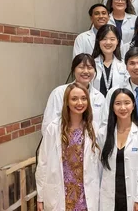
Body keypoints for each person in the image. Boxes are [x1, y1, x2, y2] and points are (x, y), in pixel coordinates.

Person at [36, 83, 101, 211]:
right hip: (61, 193)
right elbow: (43, 163)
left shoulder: (93, 128)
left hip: (86, 194)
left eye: (83, 98)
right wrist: (40, 196)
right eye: (74, 99)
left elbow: (99, 165)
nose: (79, 102)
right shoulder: (54, 129)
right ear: (66, 102)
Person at [98, 88, 138, 211]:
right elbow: (98, 168)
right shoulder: (103, 133)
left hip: (133, 196)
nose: (123, 108)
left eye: (127, 103)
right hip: (109, 195)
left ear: (133, 106)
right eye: (118, 104)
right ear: (112, 107)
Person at [42, 54, 105, 134]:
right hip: (63, 142)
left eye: (90, 68)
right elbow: (48, 126)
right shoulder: (59, 93)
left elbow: (102, 127)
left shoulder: (100, 97)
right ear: (73, 70)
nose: (86, 71)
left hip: (91, 143)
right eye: (81, 67)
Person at [92, 24, 128, 96]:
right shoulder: (91, 64)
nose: (108, 42)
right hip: (95, 105)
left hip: (117, 105)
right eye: (104, 39)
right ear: (98, 41)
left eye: (112, 39)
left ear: (117, 41)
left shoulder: (124, 65)